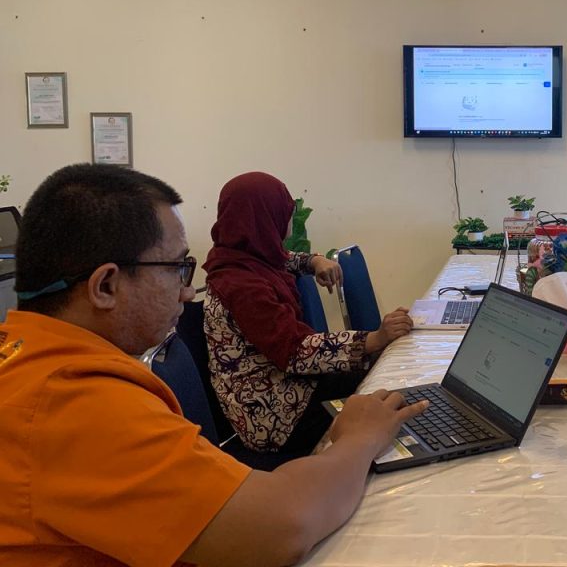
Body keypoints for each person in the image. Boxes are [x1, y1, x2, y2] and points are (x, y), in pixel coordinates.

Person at [0, 164, 428, 565]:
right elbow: (282, 525)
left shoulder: (30, 357)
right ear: (106, 286)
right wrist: (360, 437)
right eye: (177, 268)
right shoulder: (74, 403)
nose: (189, 293)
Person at [204, 172, 413, 454]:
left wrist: (314, 261)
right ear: (265, 218)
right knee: (387, 396)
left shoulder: (240, 256)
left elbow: (283, 259)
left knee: (386, 381)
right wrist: (373, 339)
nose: (290, 218)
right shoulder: (243, 286)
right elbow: (295, 351)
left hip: (283, 385)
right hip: (273, 414)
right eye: (285, 211)